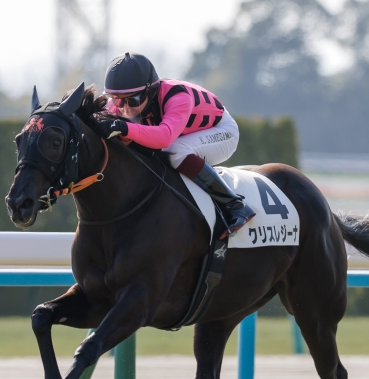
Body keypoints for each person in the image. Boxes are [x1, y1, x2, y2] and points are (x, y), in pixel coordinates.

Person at [95, 52, 255, 239]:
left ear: (150, 91)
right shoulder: (121, 103)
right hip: (186, 134)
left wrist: (123, 127)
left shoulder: (178, 96)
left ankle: (235, 205)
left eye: (133, 100)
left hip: (222, 132)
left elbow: (165, 137)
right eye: (117, 99)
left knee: (174, 150)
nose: (124, 108)